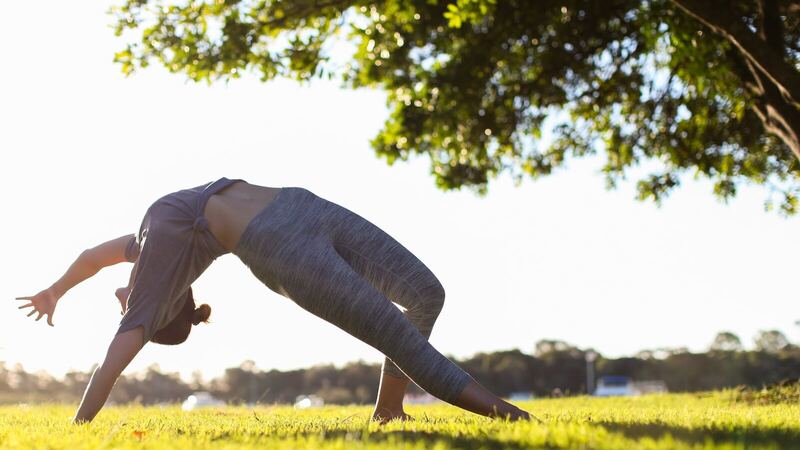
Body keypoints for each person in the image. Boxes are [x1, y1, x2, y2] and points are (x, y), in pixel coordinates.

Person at [15, 177, 533, 424]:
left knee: (425, 294)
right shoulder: (153, 295)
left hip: (301, 204)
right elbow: (108, 369)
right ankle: (509, 416)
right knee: (395, 334)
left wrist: (54, 291)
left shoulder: (148, 246)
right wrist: (79, 427)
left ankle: (388, 410)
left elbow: (91, 256)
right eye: (129, 310)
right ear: (163, 312)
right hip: (285, 252)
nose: (123, 302)